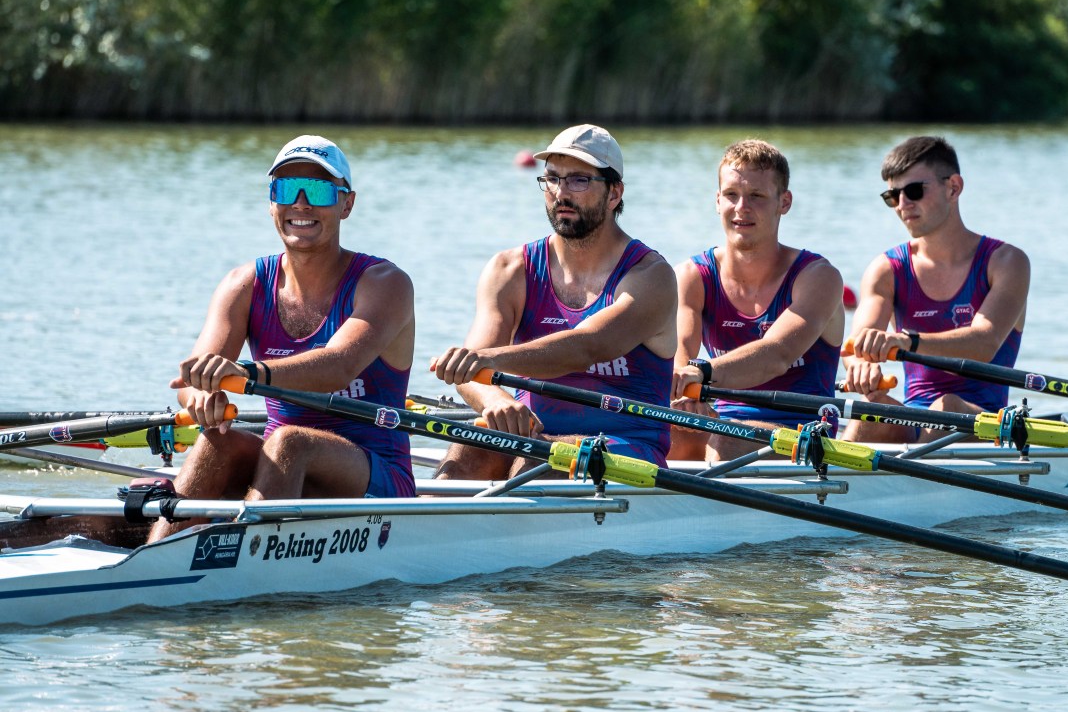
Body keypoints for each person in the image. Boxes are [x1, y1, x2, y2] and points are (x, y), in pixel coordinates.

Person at [147, 135, 416, 542]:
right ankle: (158, 554)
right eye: (287, 189)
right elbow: (192, 379)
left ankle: (245, 555)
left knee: (290, 442)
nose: (301, 204)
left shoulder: (385, 283)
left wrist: (244, 373)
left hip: (376, 474)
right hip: (281, 469)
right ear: (272, 202)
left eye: (320, 191)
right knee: (216, 441)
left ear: (346, 204)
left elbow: (338, 366)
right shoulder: (243, 284)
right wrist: (201, 395)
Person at [431, 124, 676, 479]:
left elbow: (589, 346)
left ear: (614, 193)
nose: (561, 192)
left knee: (540, 462)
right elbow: (471, 372)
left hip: (626, 446)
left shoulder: (650, 276)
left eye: (579, 180)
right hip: (535, 436)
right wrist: (497, 399)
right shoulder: (509, 270)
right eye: (552, 179)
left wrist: (486, 360)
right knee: (468, 448)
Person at [842, 135, 1029, 443]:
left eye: (914, 191)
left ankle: (910, 466)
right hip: (915, 420)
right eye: (892, 196)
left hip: (987, 424)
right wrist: (862, 366)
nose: (903, 205)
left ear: (953, 187)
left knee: (947, 406)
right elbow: (856, 346)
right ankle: (827, 475)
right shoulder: (886, 270)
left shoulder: (1007, 262)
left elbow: (984, 343)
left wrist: (906, 341)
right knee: (870, 410)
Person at [669, 139, 845, 461]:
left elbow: (776, 354)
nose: (741, 208)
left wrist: (701, 373)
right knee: (669, 434)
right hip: (726, 424)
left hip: (805, 431)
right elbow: (681, 354)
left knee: (725, 443)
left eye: (757, 196)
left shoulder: (818, 277)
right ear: (717, 200)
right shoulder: (692, 277)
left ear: (784, 202)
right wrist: (685, 394)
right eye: (731, 195)